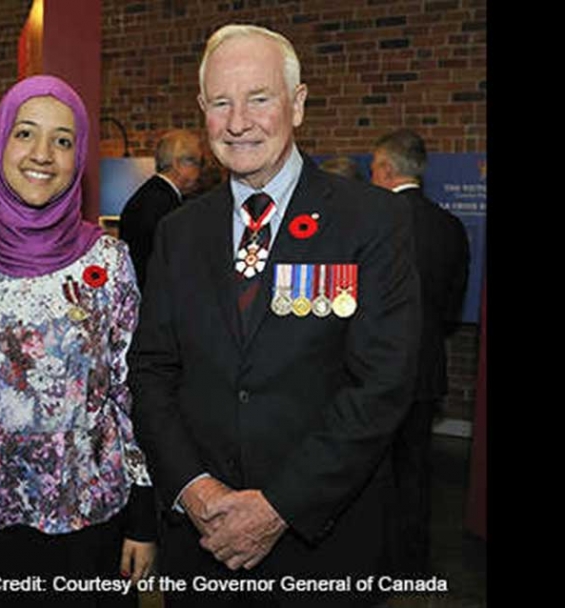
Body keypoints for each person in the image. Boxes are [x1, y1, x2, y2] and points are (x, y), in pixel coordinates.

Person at [128, 24, 421, 607]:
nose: (239, 122)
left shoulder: (370, 222)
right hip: (201, 546)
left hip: (322, 549)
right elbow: (152, 371)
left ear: (299, 104)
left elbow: (382, 384)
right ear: (202, 111)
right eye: (220, 102)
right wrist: (194, 489)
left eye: (259, 98)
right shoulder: (179, 232)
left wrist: (279, 506)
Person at [0, 75, 156, 608]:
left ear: (79, 156)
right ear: (1, 144)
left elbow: (129, 393)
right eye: (26, 133)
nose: (43, 154)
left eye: (63, 140)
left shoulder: (109, 263)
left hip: (91, 518)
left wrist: (143, 513)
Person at [371, 128, 470, 577]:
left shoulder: (373, 221)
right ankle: (412, 562)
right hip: (426, 368)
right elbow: (452, 309)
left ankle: (374, 561)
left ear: (388, 170)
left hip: (373, 367)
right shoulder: (450, 227)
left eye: (373, 170)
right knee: (416, 468)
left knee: (370, 470)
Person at [118, 130, 203, 289]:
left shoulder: (149, 195)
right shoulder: (165, 204)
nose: (200, 171)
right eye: (198, 163)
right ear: (178, 164)